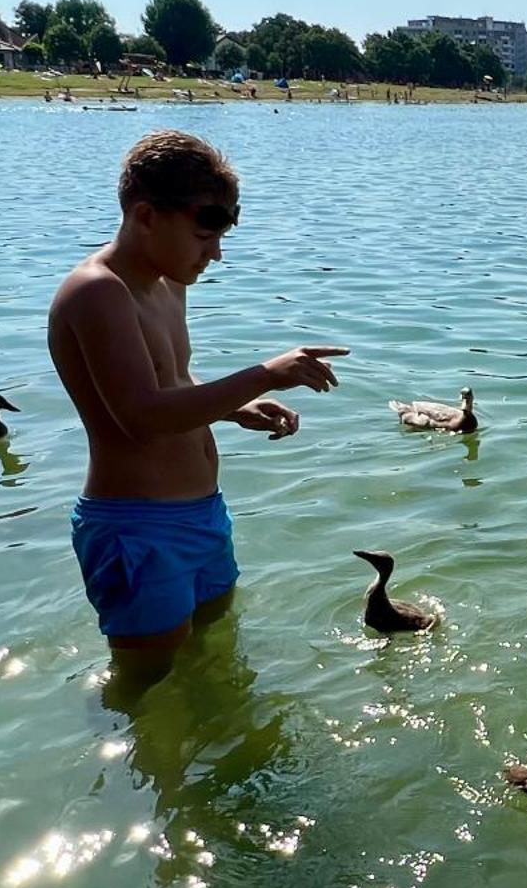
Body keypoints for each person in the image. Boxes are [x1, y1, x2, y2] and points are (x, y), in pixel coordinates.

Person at [47, 130, 348, 686]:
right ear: (145, 216)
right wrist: (264, 372)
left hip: (203, 514)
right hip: (138, 528)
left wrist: (237, 407)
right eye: (204, 232)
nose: (215, 251)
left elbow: (172, 381)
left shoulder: (166, 283)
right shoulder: (98, 293)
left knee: (214, 659)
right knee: (145, 686)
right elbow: (139, 416)